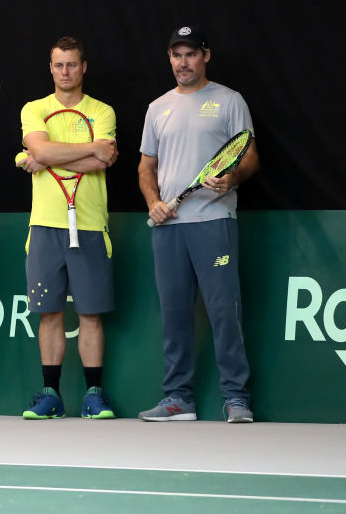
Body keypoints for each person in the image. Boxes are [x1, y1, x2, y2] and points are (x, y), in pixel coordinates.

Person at [137, 25, 259, 423]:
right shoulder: (157, 108)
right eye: (176, 55)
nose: (182, 62)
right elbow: (146, 166)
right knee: (174, 314)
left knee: (224, 311)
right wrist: (154, 202)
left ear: (205, 55)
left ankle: (236, 399)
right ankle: (178, 399)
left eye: (190, 54)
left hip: (213, 221)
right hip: (169, 227)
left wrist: (231, 178)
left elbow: (249, 156)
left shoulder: (228, 101)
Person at [16, 36, 119, 420]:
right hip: (44, 227)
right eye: (58, 65)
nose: (65, 72)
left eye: (72, 65)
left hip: (91, 225)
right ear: (50, 68)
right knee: (50, 314)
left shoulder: (102, 112)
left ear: (84, 67)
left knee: (91, 314)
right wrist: (85, 150)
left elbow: (103, 159)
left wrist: (48, 157)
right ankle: (51, 396)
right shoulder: (34, 109)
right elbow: (41, 150)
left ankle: (93, 395)